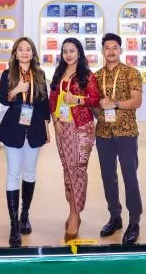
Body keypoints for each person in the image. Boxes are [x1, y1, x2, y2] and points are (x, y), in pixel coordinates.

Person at [0, 37, 51, 247]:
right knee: (13, 173)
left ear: (33, 53)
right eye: (21, 49)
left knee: (30, 172)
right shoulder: (7, 73)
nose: (25, 52)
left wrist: (46, 127)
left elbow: (44, 102)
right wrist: (16, 90)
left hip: (35, 126)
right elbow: (2, 99)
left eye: (28, 49)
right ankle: (13, 224)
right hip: (13, 127)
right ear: (15, 53)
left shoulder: (40, 74)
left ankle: (24, 214)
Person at [49, 37, 101, 243]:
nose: (68, 54)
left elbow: (95, 99)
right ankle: (73, 211)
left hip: (82, 127)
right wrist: (55, 121)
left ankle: (75, 214)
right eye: (65, 51)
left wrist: (77, 99)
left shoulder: (87, 75)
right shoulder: (59, 73)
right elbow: (53, 99)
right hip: (62, 127)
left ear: (79, 52)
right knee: (67, 170)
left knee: (78, 169)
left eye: (72, 50)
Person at [94, 33, 144, 244]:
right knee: (108, 177)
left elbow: (136, 101)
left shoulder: (131, 73)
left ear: (120, 50)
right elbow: (94, 104)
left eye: (115, 47)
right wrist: (99, 109)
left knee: (129, 177)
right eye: (107, 48)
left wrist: (114, 104)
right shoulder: (96, 76)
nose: (111, 51)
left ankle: (134, 221)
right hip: (103, 133)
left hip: (126, 132)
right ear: (103, 51)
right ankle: (115, 217)